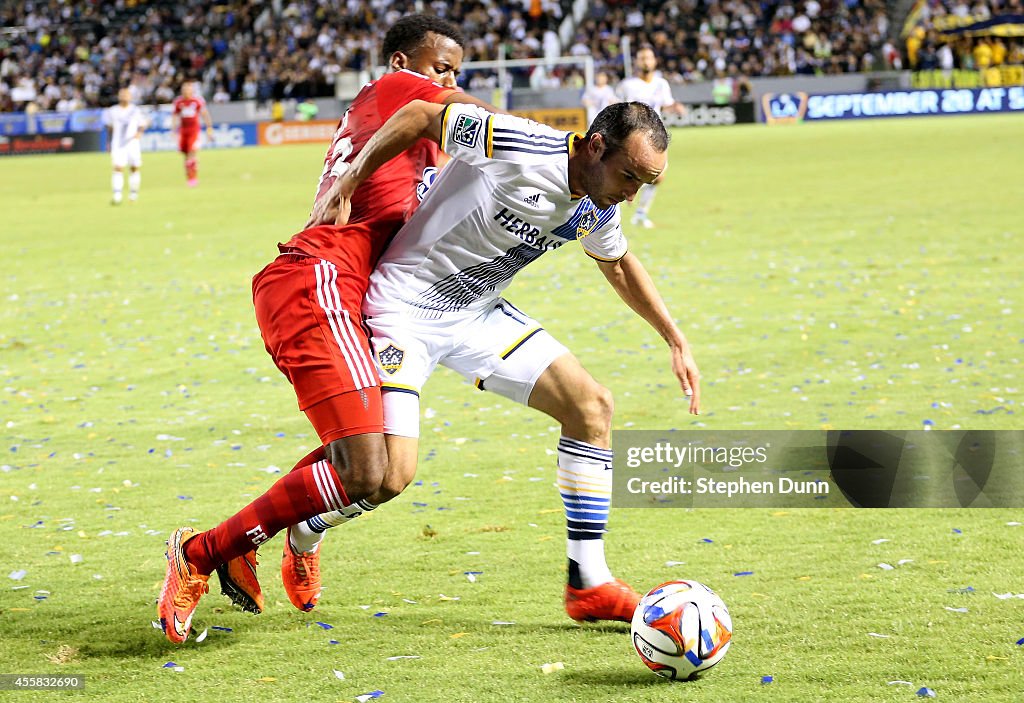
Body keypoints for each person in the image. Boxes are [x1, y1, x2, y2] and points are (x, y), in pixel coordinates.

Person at [156, 15, 498, 645]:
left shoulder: (412, 138)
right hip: (318, 283)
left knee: (389, 470)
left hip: (345, 293)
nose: (448, 80)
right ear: (402, 63)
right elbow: (474, 119)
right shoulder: (397, 91)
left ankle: (287, 535)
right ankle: (200, 552)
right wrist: (567, 141)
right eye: (438, 66)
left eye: (455, 70)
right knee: (365, 470)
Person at [298, 99, 700, 624]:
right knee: (389, 478)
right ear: (596, 146)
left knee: (591, 408)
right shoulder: (522, 145)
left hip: (476, 313)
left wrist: (674, 338)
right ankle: (305, 531)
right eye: (629, 176)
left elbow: (618, 262)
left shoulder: (599, 200)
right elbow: (421, 115)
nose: (632, 193)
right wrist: (349, 180)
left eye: (644, 184)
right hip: (405, 309)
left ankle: (589, 583)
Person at [615, 47, 686, 229]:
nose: (646, 61)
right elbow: (615, 108)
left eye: (648, 58)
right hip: (633, 136)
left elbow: (667, 104)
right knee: (627, 175)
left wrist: (675, 108)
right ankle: (614, 214)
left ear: (654, 61)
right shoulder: (627, 85)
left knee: (659, 176)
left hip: (656, 135)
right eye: (642, 58)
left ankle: (640, 213)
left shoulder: (661, 84)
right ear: (636, 62)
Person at [102, 87, 148, 204]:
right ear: (119, 96)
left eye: (126, 95)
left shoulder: (135, 110)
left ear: (130, 97)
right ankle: (117, 195)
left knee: (134, 168)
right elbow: (109, 128)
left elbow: (143, 123)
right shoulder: (112, 111)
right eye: (122, 94)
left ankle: (133, 194)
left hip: (132, 143)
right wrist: (108, 142)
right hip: (118, 144)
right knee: (118, 168)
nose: (124, 97)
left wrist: (139, 133)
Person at [171, 81, 214, 187]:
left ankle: (193, 178)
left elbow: (205, 115)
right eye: (184, 89)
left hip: (194, 131)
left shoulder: (197, 101)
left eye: (188, 89)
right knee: (186, 156)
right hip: (183, 131)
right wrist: (173, 130)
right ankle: (189, 177)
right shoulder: (178, 102)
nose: (186, 91)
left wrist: (209, 129)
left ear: (192, 90)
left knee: (192, 153)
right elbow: (175, 116)